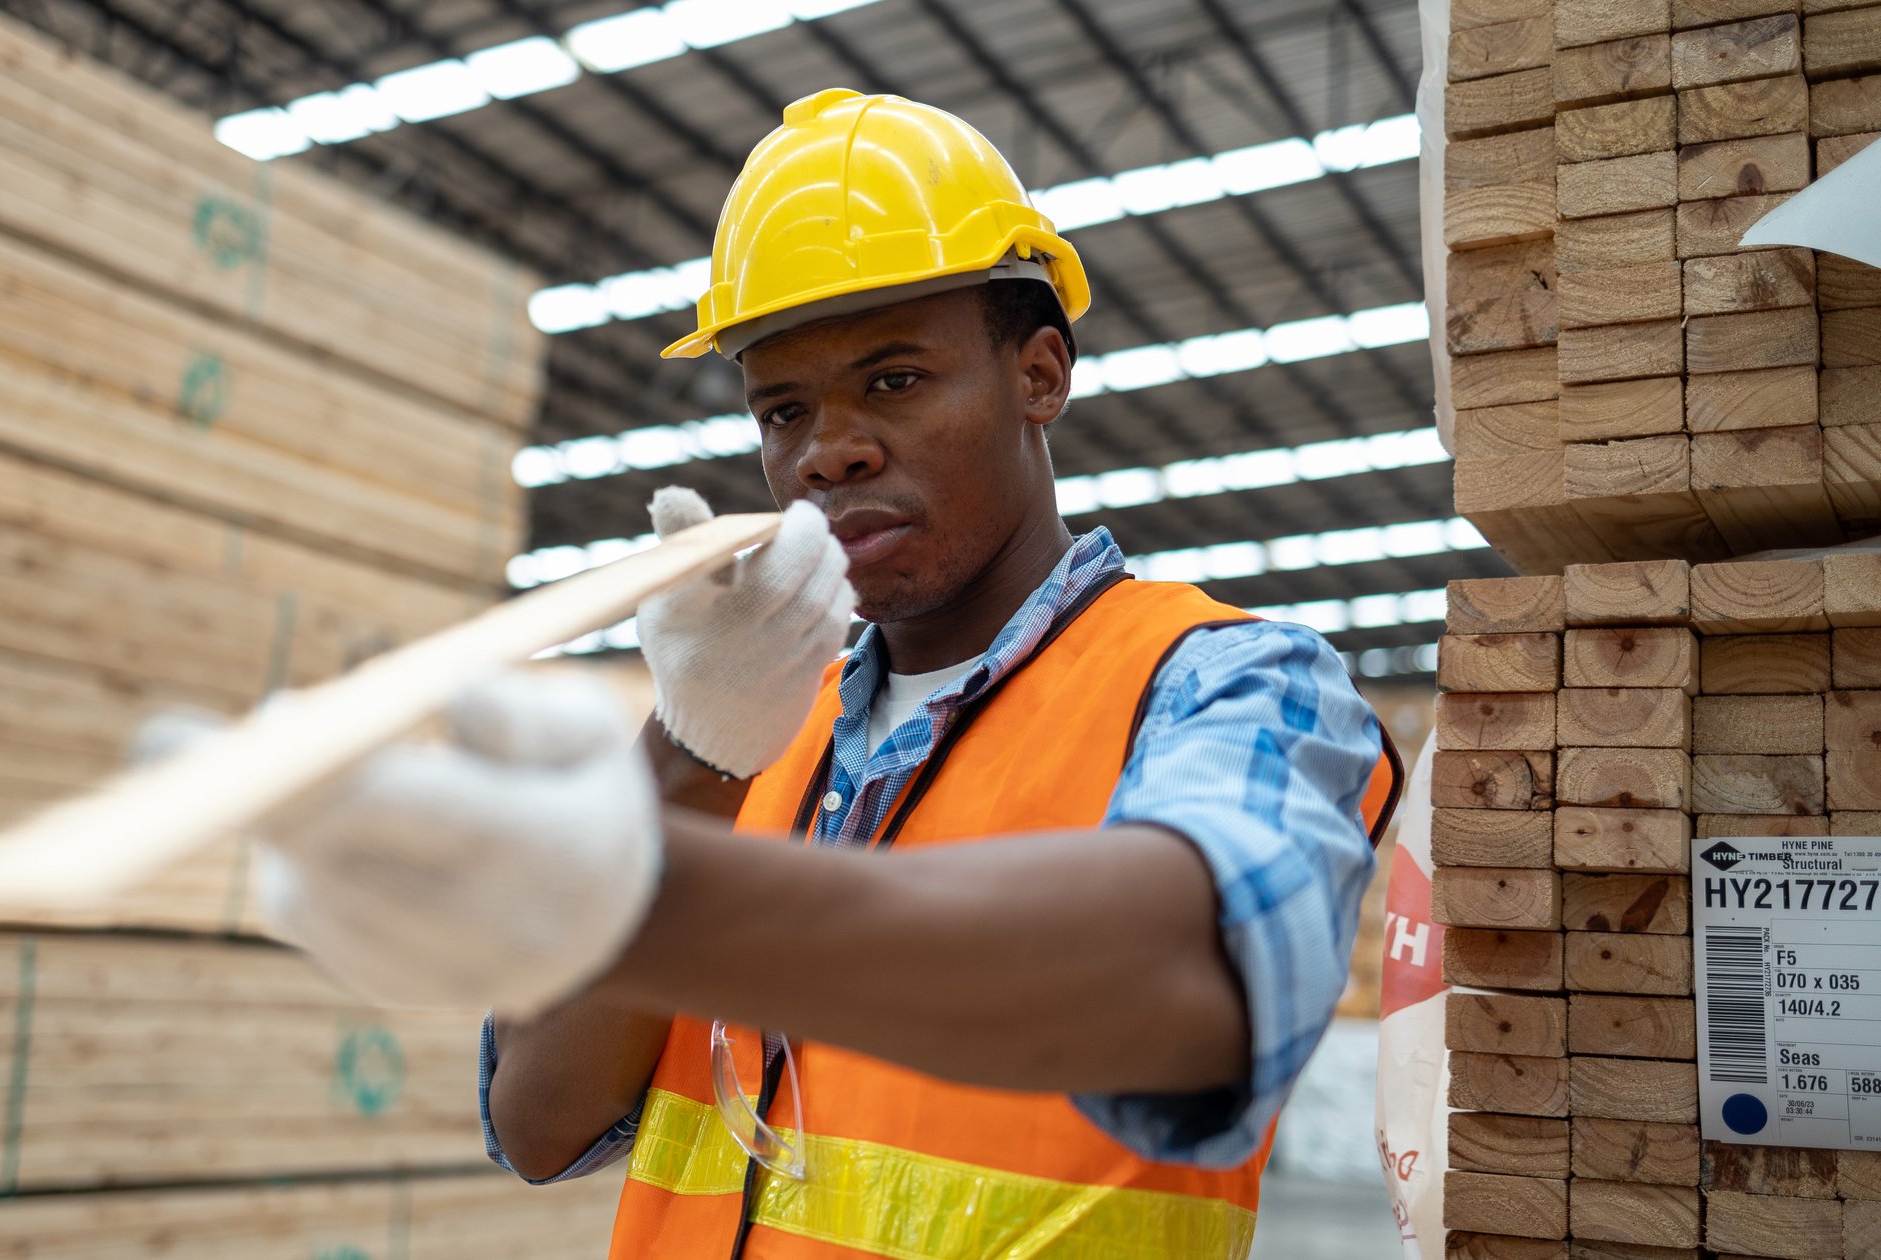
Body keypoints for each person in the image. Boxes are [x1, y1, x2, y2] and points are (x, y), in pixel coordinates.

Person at [252, 89, 1401, 1260]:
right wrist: (685, 752)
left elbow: (1200, 984)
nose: (824, 452)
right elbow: (539, 1123)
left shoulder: (1232, 680)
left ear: (1039, 373)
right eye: (781, 408)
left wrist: (637, 885)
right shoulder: (746, 732)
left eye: (893, 380)